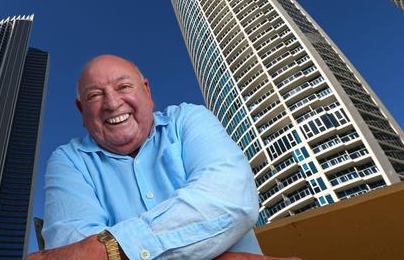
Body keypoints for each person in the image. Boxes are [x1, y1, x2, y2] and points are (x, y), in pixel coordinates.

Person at [26, 55, 298, 260]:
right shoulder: (67, 161)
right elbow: (71, 247)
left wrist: (109, 248)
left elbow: (231, 200)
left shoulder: (189, 119)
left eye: (123, 87)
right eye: (95, 95)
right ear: (80, 109)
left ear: (147, 91)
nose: (111, 103)